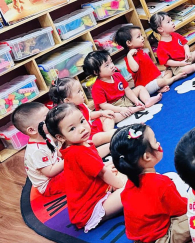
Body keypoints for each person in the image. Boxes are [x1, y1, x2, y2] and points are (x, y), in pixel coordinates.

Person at [42, 104, 126, 232]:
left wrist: (109, 168)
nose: (82, 129)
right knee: (130, 189)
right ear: (61, 137)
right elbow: (102, 173)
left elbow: (91, 167)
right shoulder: (78, 152)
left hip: (97, 192)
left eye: (82, 121)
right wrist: (121, 185)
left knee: (124, 172)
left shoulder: (75, 145)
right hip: (90, 209)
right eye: (72, 129)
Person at [110, 124, 190, 243]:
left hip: (140, 239)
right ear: (147, 157)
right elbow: (181, 209)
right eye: (155, 141)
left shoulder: (129, 184)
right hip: (161, 238)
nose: (158, 144)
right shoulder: (162, 183)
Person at [83, 50, 161, 123]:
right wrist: (120, 109)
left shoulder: (117, 75)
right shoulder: (97, 87)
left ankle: (147, 100)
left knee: (140, 88)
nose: (112, 66)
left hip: (124, 99)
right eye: (107, 65)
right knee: (110, 118)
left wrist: (136, 100)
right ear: (96, 72)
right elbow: (104, 105)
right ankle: (131, 110)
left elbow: (127, 90)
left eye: (111, 62)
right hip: (112, 106)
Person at [114, 25, 187, 95]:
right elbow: (135, 69)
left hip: (156, 78)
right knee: (160, 82)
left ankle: (161, 86)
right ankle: (174, 78)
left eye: (141, 35)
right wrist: (129, 55)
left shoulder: (140, 51)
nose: (142, 38)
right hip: (146, 85)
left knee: (169, 71)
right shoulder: (130, 58)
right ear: (129, 43)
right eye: (138, 37)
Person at [12, 102, 66, 196]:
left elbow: (55, 151)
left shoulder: (46, 136)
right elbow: (50, 172)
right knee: (78, 176)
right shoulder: (36, 151)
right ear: (32, 130)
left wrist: (67, 152)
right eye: (46, 119)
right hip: (49, 184)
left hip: (56, 169)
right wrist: (68, 159)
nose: (52, 120)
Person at [49, 77, 116, 147]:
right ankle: (110, 135)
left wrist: (101, 113)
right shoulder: (68, 116)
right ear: (67, 101)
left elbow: (89, 115)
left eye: (81, 90)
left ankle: (108, 133)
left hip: (90, 128)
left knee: (108, 117)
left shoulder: (81, 105)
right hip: (84, 138)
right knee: (99, 137)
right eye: (78, 91)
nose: (82, 93)